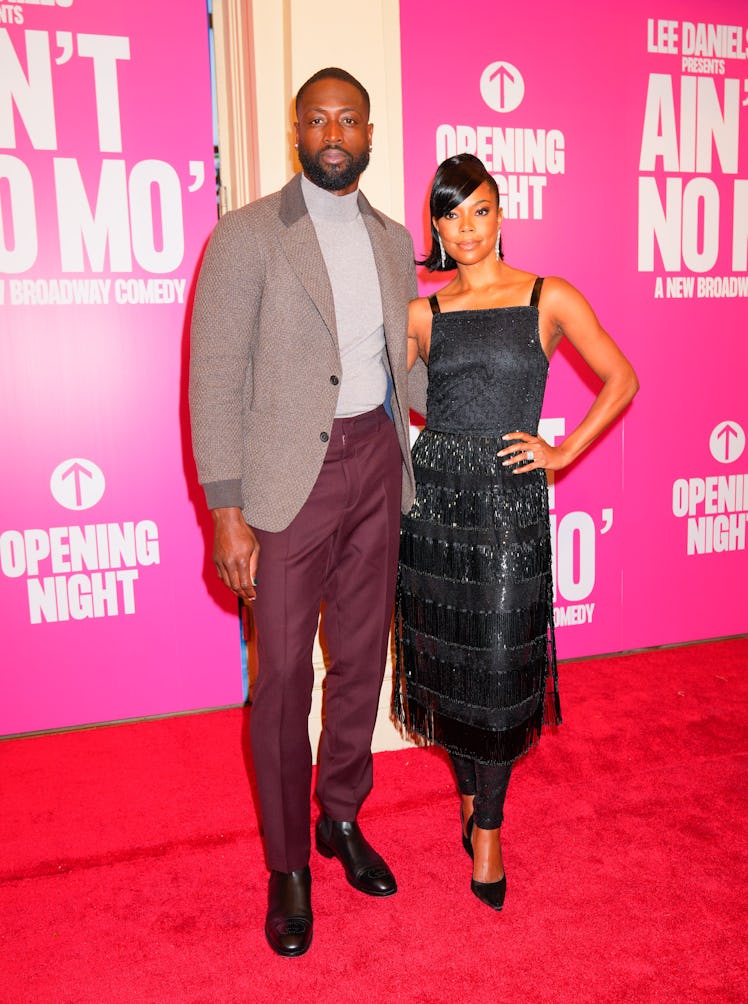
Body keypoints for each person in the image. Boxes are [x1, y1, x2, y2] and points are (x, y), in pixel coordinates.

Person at [189, 67, 426, 957]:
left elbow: (410, 360)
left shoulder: (396, 240)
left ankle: (340, 819)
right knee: (283, 678)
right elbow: (214, 374)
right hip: (286, 479)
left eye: (349, 119)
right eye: (318, 118)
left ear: (370, 131)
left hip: (376, 461)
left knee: (360, 661)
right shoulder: (247, 234)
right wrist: (227, 508)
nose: (334, 132)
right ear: (297, 129)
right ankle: (289, 864)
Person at [394, 153, 638, 911]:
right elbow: (376, 406)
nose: (466, 227)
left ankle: (489, 828)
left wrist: (561, 453)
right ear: (434, 223)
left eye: (480, 209)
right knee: (450, 661)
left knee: (499, 667)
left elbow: (621, 378)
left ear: (502, 214)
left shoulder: (547, 295)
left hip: (508, 508)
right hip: (433, 505)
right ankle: (470, 796)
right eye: (451, 213)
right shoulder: (420, 313)